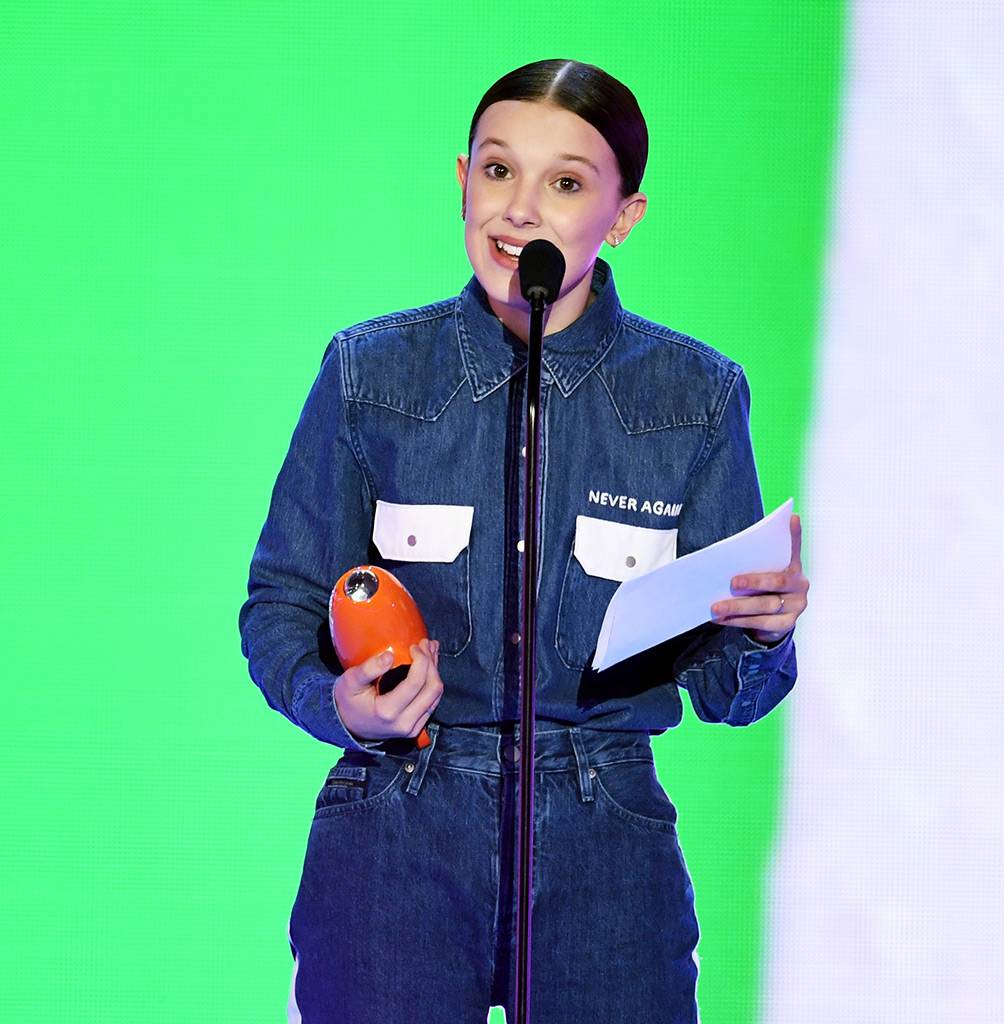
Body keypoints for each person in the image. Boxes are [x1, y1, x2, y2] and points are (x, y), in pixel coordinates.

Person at [239, 58, 809, 1024]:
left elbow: (726, 693)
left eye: (568, 183)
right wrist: (335, 703)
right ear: (461, 178)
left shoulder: (697, 398)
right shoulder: (368, 373)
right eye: (498, 171)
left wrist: (762, 635)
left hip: (604, 837)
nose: (519, 211)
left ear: (623, 215)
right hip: (399, 822)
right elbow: (280, 605)